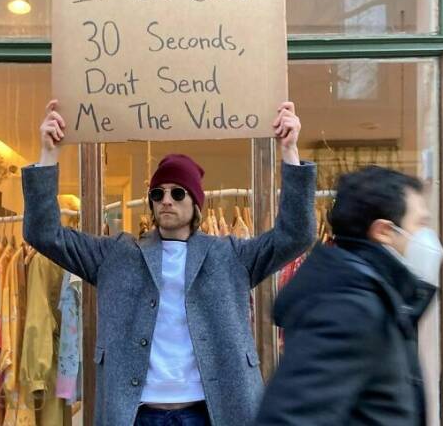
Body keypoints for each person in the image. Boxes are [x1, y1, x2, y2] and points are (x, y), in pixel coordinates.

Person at [22, 100, 316, 426]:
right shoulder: (118, 255)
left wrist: (289, 151)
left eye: (178, 194)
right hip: (138, 413)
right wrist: (48, 154)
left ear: (196, 203)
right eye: (157, 194)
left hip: (209, 412)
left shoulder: (230, 255)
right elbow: (43, 233)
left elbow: (296, 235)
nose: (166, 201)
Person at [254, 165, 443, 426]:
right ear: (384, 231)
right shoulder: (349, 308)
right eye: (420, 224)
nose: (427, 236)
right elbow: (288, 418)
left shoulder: (376, 298)